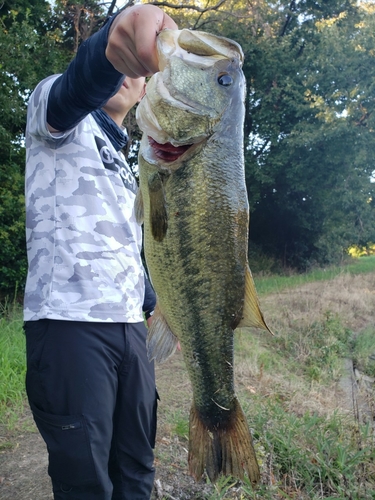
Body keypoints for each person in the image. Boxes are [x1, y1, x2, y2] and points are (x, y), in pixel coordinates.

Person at [23, 5, 178, 500]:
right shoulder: (56, 110)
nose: (126, 78)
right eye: (121, 68)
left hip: (131, 328)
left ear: (143, 92)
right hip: (70, 325)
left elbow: (127, 242)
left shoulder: (131, 156)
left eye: (135, 76)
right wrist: (118, 35)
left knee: (137, 469)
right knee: (86, 481)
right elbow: (80, 85)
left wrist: (151, 301)